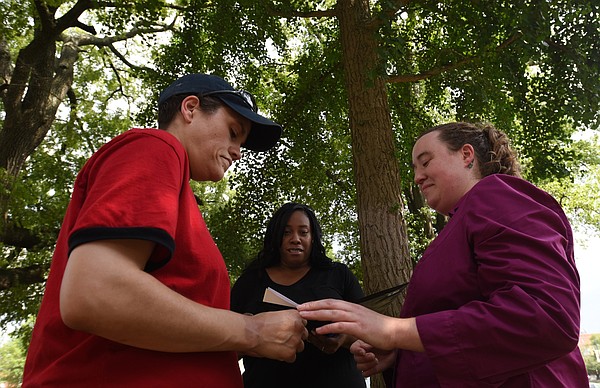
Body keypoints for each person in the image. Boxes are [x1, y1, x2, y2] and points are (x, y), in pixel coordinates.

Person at [22, 73, 308, 387]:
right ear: (190, 109)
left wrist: (257, 333)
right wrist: (251, 332)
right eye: (233, 132)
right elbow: (94, 292)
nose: (238, 151)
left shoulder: (181, 198)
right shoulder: (156, 147)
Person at [297, 122, 589, 387]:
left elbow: (546, 316)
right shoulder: (462, 221)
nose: (417, 177)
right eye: (413, 168)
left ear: (466, 155)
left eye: (425, 162)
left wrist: (394, 331)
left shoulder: (497, 195)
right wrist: (401, 352)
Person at [231, 202, 367, 388]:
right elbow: (227, 344)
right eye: (286, 232)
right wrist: (253, 333)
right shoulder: (250, 281)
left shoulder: (338, 275)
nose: (295, 239)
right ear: (275, 237)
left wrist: (343, 337)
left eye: (303, 232)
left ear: (313, 238)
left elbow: (368, 331)